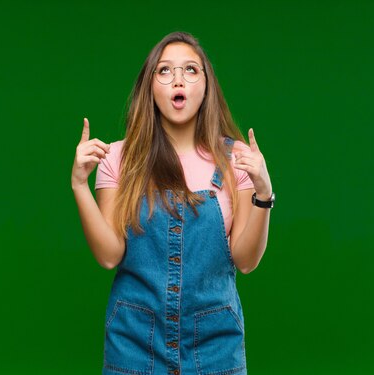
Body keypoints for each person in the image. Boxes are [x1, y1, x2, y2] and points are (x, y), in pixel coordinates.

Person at [71, 31, 274, 375]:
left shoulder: (236, 158)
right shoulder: (119, 158)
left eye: (191, 70)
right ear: (150, 87)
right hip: (134, 344)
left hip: (215, 348)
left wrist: (263, 193)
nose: (178, 78)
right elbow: (108, 255)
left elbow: (246, 260)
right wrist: (79, 184)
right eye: (164, 71)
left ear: (207, 86)